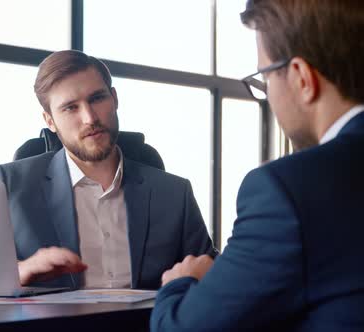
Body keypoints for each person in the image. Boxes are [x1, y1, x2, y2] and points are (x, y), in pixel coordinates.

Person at [151, 0, 364, 331]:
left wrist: (183, 282)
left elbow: (179, 328)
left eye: (264, 77)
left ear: (301, 78)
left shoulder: (288, 189)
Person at [0, 50, 215, 290]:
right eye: (70, 108)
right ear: (50, 121)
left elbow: (210, 273)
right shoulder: (11, 185)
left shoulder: (174, 193)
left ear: (115, 99)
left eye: (97, 98)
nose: (89, 118)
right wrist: (21, 272)